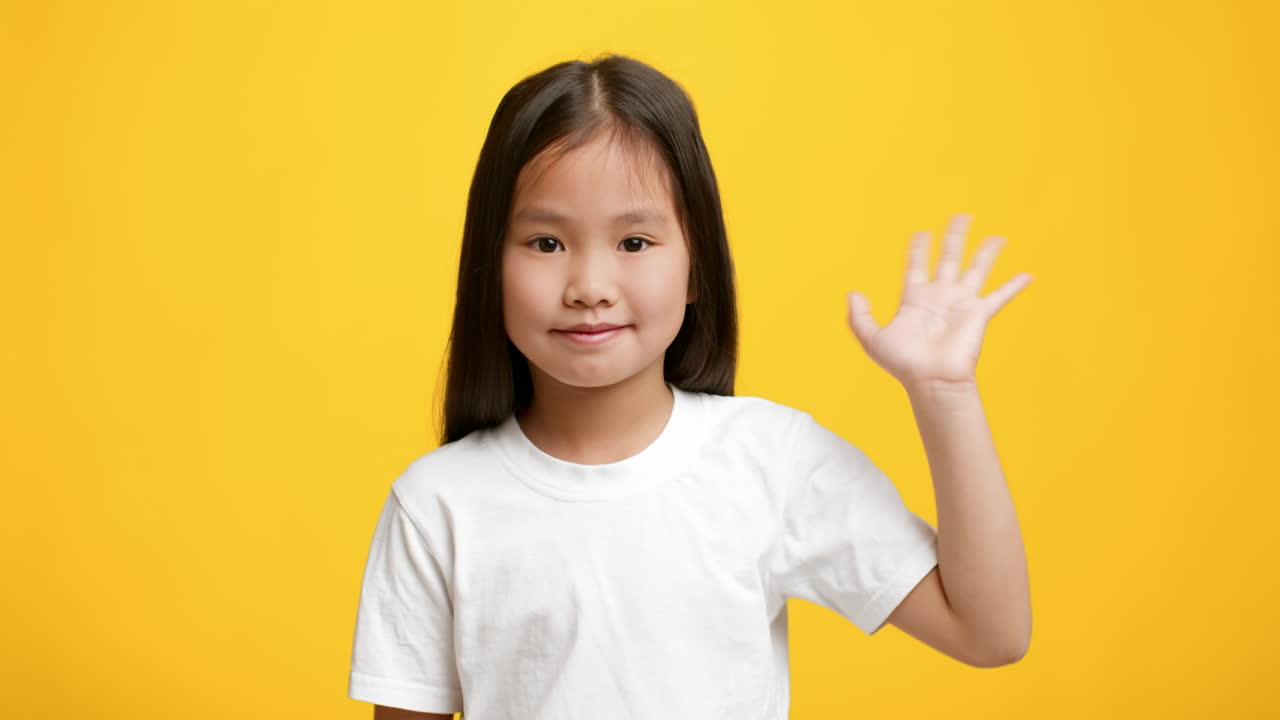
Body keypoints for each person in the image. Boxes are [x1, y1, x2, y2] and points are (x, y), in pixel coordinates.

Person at [346, 53, 1033, 719]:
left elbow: (989, 632)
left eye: (634, 243)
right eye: (547, 243)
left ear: (696, 266)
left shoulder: (771, 461)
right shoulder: (436, 504)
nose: (589, 288)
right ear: (488, 265)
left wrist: (945, 396)